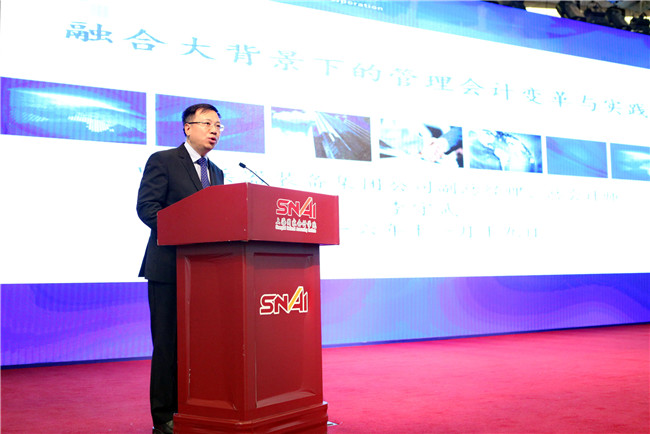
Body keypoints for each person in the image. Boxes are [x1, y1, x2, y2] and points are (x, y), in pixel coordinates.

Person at [136, 103, 225, 434]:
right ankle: (164, 418)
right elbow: (148, 208)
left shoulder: (217, 172)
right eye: (207, 123)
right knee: (168, 346)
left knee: (199, 347)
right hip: (168, 269)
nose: (214, 130)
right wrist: (185, 234)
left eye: (218, 125)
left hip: (203, 274)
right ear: (188, 127)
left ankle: (192, 408)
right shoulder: (163, 161)